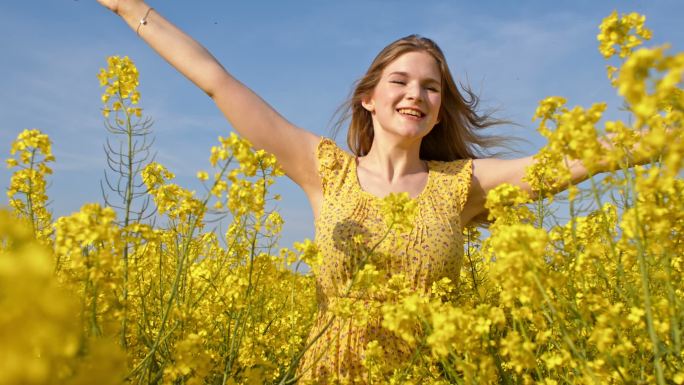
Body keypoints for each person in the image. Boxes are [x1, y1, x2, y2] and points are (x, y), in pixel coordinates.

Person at [97, 1, 604, 383]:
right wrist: (129, 6)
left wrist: (653, 137)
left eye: (431, 87)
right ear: (369, 98)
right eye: (400, 81)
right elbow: (217, 81)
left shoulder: (461, 185)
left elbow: (561, 164)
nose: (415, 94)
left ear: (440, 108)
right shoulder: (324, 171)